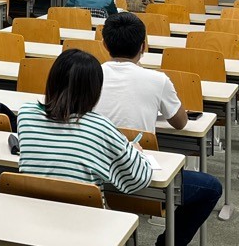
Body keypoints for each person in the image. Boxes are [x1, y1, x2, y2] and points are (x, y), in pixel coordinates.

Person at [96, 13, 223, 246]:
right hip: (138, 181)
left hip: (95, 176)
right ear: (144, 46)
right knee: (211, 187)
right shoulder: (157, 80)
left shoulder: (89, 75)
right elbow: (180, 122)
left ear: (104, 44)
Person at [16, 49, 155, 219]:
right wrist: (136, 152)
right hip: (85, 223)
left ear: (52, 80)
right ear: (95, 90)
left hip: (32, 217)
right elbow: (138, 179)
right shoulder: (100, 127)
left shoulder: (26, 114)